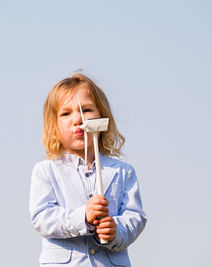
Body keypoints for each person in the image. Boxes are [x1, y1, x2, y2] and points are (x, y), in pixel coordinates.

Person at [29, 73, 147, 267]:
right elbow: (42, 216)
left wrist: (116, 230)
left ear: (102, 116)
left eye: (86, 110)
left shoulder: (123, 172)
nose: (78, 119)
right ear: (55, 126)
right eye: (66, 113)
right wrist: (83, 216)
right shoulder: (46, 170)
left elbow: (135, 217)